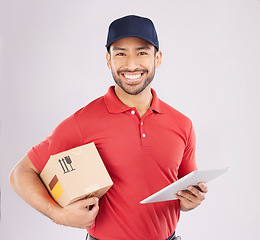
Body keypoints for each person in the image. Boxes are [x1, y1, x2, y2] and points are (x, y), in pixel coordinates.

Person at [9, 15, 208, 240]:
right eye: (121, 53)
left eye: (142, 53)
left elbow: (184, 195)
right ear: (108, 60)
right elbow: (20, 173)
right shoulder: (83, 122)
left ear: (158, 58)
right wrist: (60, 216)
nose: (132, 65)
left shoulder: (182, 124)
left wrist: (191, 202)